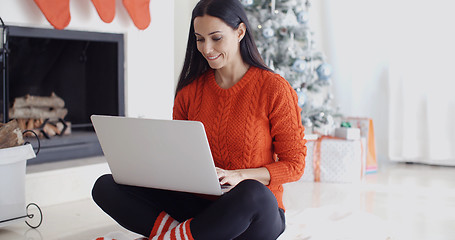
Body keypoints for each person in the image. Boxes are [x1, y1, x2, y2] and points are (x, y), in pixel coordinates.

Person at [92, 0, 307, 239]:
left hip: (251, 213)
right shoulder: (190, 92)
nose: (206, 49)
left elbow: (295, 165)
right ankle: (185, 235)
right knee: (106, 186)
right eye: (200, 38)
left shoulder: (273, 88)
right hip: (198, 207)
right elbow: (179, 157)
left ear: (240, 32)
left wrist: (240, 175)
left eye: (216, 38)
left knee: (253, 193)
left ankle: (177, 233)